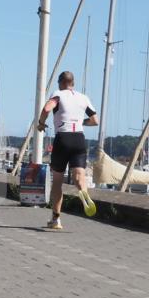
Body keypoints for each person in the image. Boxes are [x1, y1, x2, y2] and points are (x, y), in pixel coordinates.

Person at [37, 71, 98, 230]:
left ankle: (56, 219)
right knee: (79, 176)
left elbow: (46, 109)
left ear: (61, 82)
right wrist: (80, 121)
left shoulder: (58, 94)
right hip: (79, 139)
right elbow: (95, 120)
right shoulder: (83, 97)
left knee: (57, 181)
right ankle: (83, 192)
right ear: (73, 83)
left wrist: (41, 123)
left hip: (63, 139)